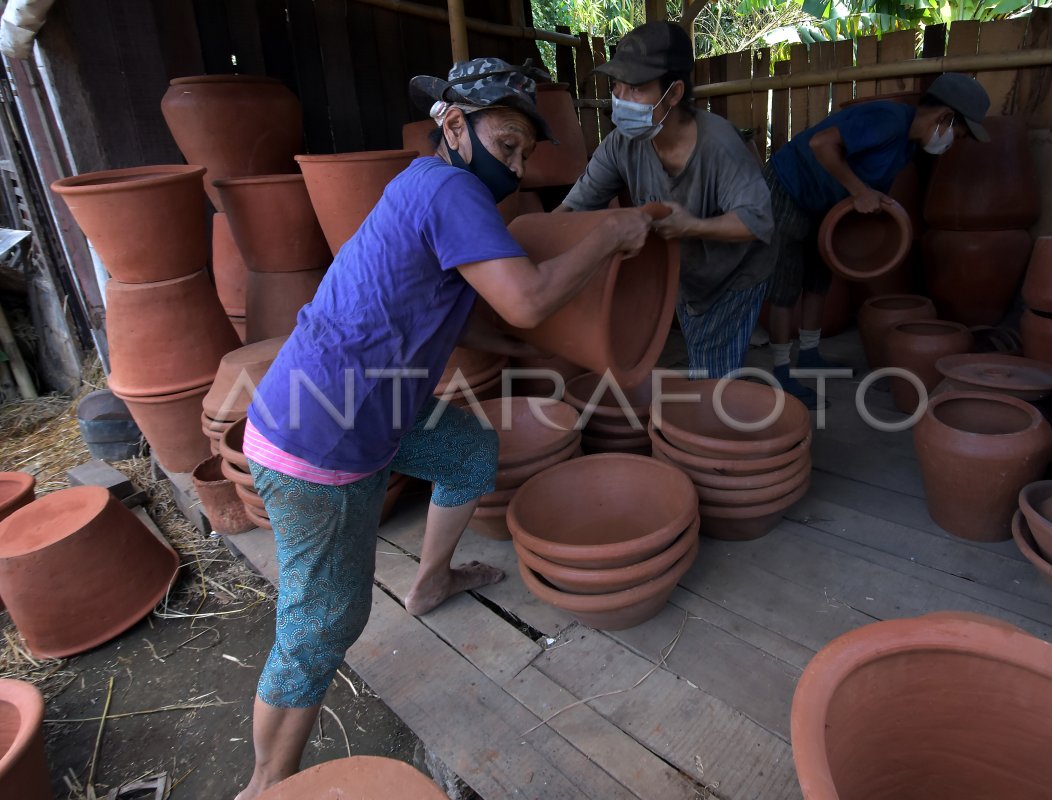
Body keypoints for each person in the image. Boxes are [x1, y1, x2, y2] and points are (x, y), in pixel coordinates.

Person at [233, 58, 653, 799]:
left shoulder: (429, 191)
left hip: (368, 405)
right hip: (320, 442)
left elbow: (456, 309)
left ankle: (428, 583)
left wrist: (523, 351)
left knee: (466, 450)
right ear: (453, 126)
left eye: (525, 153)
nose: (516, 165)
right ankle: (268, 783)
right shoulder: (452, 186)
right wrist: (616, 228)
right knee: (323, 626)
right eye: (507, 143)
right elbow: (523, 300)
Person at [557, 21, 777, 381]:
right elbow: (573, 208)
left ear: (673, 94)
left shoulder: (718, 144)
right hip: (686, 269)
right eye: (617, 86)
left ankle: (717, 422)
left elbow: (758, 220)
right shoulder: (621, 144)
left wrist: (691, 225)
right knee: (700, 355)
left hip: (737, 271)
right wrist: (530, 252)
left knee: (711, 374)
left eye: (637, 88)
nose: (621, 99)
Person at [763, 72, 991, 407]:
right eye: (957, 132)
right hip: (790, 187)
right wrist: (859, 192)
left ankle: (809, 354)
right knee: (785, 283)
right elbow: (820, 144)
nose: (952, 141)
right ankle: (780, 372)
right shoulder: (888, 120)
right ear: (945, 117)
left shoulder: (907, 147)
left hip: (822, 202)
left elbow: (873, 189)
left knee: (818, 277)